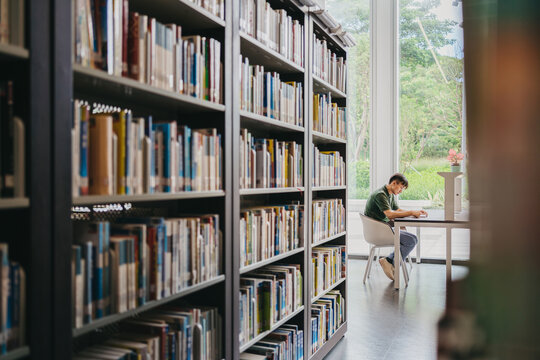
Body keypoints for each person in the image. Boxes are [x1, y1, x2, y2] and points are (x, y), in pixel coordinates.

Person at [364, 173, 427, 280]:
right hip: (378, 232)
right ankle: (389, 261)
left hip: (384, 228)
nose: (401, 191)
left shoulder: (389, 194)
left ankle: (390, 262)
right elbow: (390, 214)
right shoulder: (381, 195)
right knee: (411, 240)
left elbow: (397, 210)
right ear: (394, 183)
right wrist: (411, 212)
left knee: (413, 239)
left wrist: (414, 212)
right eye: (401, 187)